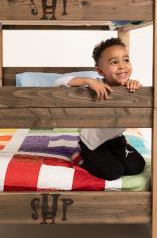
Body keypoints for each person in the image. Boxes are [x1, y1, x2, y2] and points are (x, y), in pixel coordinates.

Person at [54, 38, 145, 180]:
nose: (122, 66)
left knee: (137, 166)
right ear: (100, 71)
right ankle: (81, 159)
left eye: (126, 60)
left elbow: (141, 104)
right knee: (113, 172)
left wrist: (138, 87)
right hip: (92, 144)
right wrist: (87, 81)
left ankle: (114, 155)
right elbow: (57, 82)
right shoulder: (94, 87)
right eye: (114, 62)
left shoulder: (130, 88)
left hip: (116, 140)